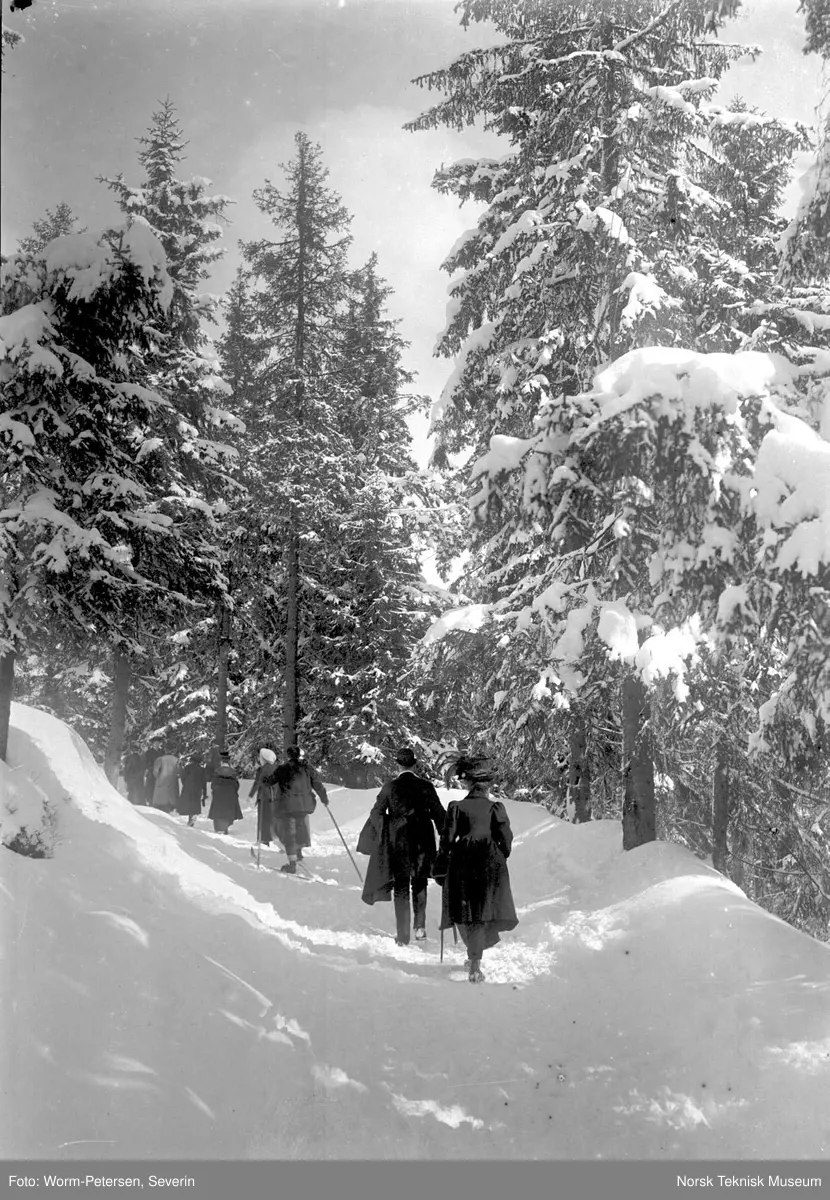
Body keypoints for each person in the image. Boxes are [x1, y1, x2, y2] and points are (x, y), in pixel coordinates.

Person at [433, 755, 518, 983]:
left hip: (462, 861)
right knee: (481, 912)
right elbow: (506, 838)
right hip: (490, 862)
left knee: (464, 911)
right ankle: (475, 963)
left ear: (468, 783)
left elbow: (447, 840)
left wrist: (440, 867)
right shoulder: (496, 808)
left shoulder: (456, 807)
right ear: (487, 785)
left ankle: (473, 958)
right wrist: (499, 855)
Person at [358, 747, 446, 946]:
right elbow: (440, 814)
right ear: (415, 764)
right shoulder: (426, 786)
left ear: (397, 764)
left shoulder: (390, 787)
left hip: (398, 841)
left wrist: (387, 826)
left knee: (401, 885)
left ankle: (403, 934)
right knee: (420, 882)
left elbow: (376, 813)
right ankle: (420, 928)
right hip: (424, 840)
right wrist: (447, 839)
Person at [271, 746, 328, 874]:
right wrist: (324, 798)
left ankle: (292, 864)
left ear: (288, 756)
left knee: (290, 833)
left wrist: (263, 781)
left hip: (287, 806)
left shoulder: (282, 769)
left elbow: (269, 782)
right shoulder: (308, 769)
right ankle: (299, 853)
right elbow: (318, 784)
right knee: (301, 829)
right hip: (304, 806)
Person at [249, 747, 278, 847]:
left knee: (263, 819)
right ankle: (274, 839)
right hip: (275, 798)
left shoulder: (262, 769)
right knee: (273, 819)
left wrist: (251, 795)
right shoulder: (276, 768)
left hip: (264, 797)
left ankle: (263, 840)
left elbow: (257, 783)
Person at [208, 750, 242, 834]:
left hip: (218, 793)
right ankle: (225, 827)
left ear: (221, 761)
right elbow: (236, 785)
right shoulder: (233, 772)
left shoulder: (217, 770)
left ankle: (218, 828)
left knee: (218, 810)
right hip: (230, 794)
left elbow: (213, 783)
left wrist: (215, 790)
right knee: (227, 810)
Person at [178, 752, 208, 827]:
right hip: (198, 788)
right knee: (195, 803)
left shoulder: (188, 767)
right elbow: (204, 782)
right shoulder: (202, 770)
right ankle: (192, 817)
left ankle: (190, 819)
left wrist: (185, 784)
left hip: (188, 787)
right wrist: (204, 792)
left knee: (188, 803)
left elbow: (183, 777)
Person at [152, 748, 180, 812]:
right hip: (172, 784)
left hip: (161, 784)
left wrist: (158, 778)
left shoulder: (160, 759)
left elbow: (155, 772)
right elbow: (179, 771)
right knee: (170, 803)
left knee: (160, 805)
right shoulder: (177, 760)